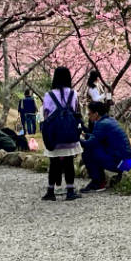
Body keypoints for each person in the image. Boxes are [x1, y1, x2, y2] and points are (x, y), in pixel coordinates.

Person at [39, 66, 81, 201]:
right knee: (69, 162)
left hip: (54, 135)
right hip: (69, 134)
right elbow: (75, 111)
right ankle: (70, 191)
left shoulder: (48, 95)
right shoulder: (73, 94)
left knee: (54, 163)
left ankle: (50, 191)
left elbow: (45, 114)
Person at [81, 100, 131, 192]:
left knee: (88, 152)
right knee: (94, 149)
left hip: (121, 163)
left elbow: (89, 144)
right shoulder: (110, 120)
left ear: (96, 114)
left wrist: (75, 139)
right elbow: (98, 138)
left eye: (89, 114)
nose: (88, 116)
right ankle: (100, 181)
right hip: (127, 161)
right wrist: (85, 135)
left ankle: (98, 182)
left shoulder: (101, 124)